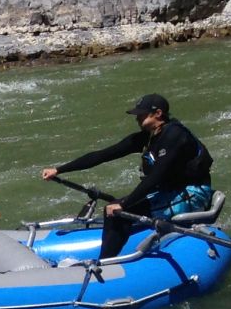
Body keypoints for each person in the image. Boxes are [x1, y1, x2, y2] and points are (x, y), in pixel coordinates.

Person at [40, 92, 215, 259]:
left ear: (158, 114)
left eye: (142, 114)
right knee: (116, 209)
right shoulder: (147, 138)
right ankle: (108, 257)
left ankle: (104, 266)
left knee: (117, 213)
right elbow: (103, 155)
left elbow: (156, 177)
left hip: (193, 193)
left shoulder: (175, 135)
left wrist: (125, 203)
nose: (137, 118)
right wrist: (59, 169)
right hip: (170, 190)